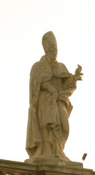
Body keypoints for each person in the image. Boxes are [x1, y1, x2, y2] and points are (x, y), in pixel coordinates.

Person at [26, 31, 84, 164]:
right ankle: (48, 152)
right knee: (48, 126)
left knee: (64, 126)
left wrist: (74, 78)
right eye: (51, 49)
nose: (54, 52)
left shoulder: (60, 66)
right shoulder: (38, 66)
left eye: (55, 49)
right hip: (45, 102)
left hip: (60, 100)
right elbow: (36, 83)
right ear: (46, 48)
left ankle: (58, 150)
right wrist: (49, 88)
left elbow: (67, 84)